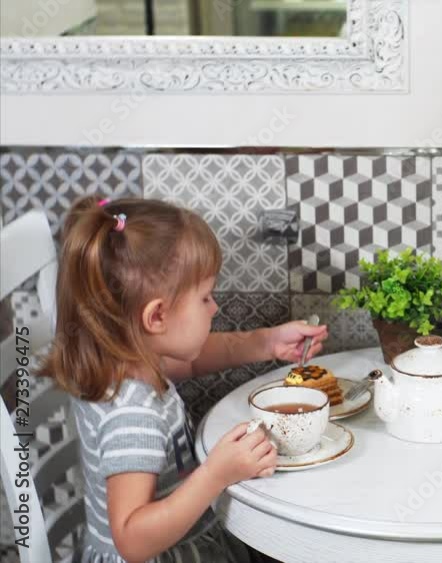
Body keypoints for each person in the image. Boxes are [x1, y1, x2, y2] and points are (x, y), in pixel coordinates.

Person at [39, 196, 329, 562]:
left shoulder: (125, 361)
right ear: (156, 317)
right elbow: (132, 539)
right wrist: (215, 475)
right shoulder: (134, 414)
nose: (215, 307)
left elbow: (192, 362)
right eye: (205, 298)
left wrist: (266, 342)